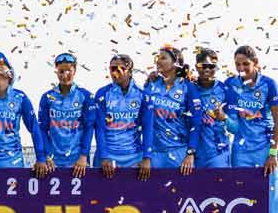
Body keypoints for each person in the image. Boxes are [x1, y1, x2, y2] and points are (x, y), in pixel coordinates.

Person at [222, 45, 278, 213]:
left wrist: (272, 153)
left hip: (265, 149)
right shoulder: (230, 85)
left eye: (246, 63)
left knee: (271, 199)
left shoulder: (269, 84)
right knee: (242, 198)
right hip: (240, 150)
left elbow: (277, 120)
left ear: (256, 63)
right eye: (238, 64)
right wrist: (224, 118)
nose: (241, 68)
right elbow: (233, 127)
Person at [144, 45, 202, 174]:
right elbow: (145, 121)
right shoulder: (151, 84)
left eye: (163, 58)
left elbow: (196, 122)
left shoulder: (188, 87)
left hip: (179, 152)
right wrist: (146, 155)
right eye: (157, 57)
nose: (158, 61)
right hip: (154, 153)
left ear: (175, 63)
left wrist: (190, 153)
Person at [93, 54, 153, 180]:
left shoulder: (143, 95)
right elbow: (99, 128)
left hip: (134, 157)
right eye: (112, 69)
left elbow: (148, 128)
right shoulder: (102, 93)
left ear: (130, 71)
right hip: (107, 157)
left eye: (119, 69)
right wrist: (104, 156)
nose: (115, 73)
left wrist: (147, 157)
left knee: (134, 199)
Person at [37, 53, 96, 178]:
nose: (65, 75)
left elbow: (89, 128)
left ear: (75, 70)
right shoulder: (47, 97)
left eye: (69, 70)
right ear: (56, 72)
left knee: (81, 198)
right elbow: (42, 129)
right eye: (61, 71)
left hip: (78, 160)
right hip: (53, 161)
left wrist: (83, 156)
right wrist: (47, 155)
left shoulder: (85, 96)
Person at [192, 48, 230, 168]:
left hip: (219, 154)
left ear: (216, 67)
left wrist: (224, 117)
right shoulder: (188, 88)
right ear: (196, 67)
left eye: (211, 66)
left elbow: (235, 127)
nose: (207, 69)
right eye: (203, 66)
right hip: (194, 156)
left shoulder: (225, 90)